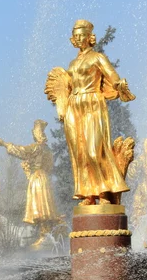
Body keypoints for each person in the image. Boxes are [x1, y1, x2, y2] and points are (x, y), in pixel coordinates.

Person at [45, 19, 135, 205]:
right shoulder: (72, 62)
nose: (78, 39)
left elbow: (112, 75)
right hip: (74, 105)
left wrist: (119, 85)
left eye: (81, 35)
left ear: (90, 37)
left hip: (92, 102)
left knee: (95, 150)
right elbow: (67, 85)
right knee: (80, 152)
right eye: (75, 36)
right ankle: (88, 193)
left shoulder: (97, 57)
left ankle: (104, 191)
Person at [0, 120, 61, 247]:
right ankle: (45, 234)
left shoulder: (36, 147)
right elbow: (50, 166)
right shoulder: (48, 149)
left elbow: (21, 151)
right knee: (45, 208)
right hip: (45, 179)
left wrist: (4, 144)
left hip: (37, 179)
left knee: (40, 208)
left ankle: (44, 235)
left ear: (36, 135)